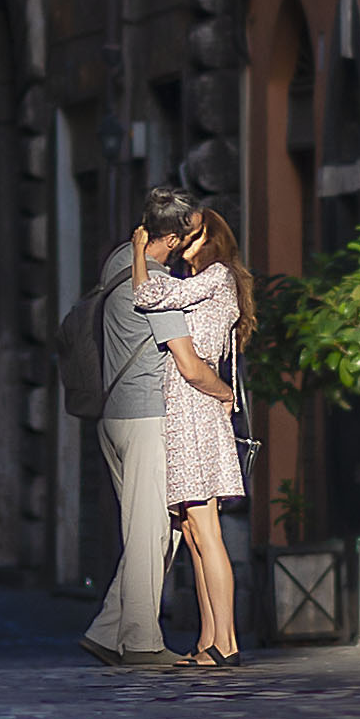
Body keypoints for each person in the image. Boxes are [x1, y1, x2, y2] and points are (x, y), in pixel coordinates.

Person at [81, 187, 234, 672]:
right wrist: (226, 393)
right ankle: (142, 641)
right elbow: (187, 361)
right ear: (170, 240)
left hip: (112, 416)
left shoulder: (116, 263)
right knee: (152, 533)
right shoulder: (162, 286)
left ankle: (108, 631)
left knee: (155, 527)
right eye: (185, 236)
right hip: (148, 415)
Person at [131, 205, 255, 670]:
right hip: (187, 414)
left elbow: (147, 296)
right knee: (195, 533)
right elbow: (150, 291)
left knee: (208, 532)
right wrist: (142, 253)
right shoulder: (196, 289)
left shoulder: (218, 275)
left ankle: (227, 641)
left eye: (195, 238)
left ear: (214, 240)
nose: (185, 246)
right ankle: (208, 639)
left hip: (198, 413)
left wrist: (140, 252)